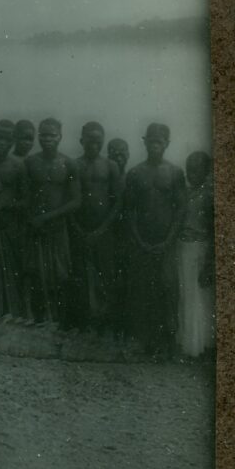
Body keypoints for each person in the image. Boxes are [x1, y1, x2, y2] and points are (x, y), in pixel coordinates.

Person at [123, 123, 187, 353]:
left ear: (167, 143)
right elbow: (129, 211)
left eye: (159, 141)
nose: (155, 145)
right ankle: (145, 341)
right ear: (145, 142)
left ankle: (167, 343)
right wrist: (139, 240)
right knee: (142, 290)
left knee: (167, 288)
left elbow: (180, 210)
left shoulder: (175, 173)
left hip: (165, 243)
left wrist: (168, 241)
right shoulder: (135, 173)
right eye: (151, 140)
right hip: (142, 243)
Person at [22, 118, 80, 324]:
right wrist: (32, 219)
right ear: (39, 136)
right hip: (36, 229)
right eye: (44, 135)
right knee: (36, 276)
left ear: (60, 136)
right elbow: (25, 195)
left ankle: (60, 324)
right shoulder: (30, 162)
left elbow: (75, 201)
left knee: (61, 276)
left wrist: (47, 218)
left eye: (52, 135)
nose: (48, 139)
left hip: (57, 228)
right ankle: (39, 321)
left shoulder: (68, 164)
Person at [70, 121, 123, 330]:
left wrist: (101, 230)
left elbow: (117, 201)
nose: (94, 144)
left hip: (104, 231)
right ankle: (84, 325)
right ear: (81, 140)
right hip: (80, 230)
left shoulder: (110, 166)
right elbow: (70, 199)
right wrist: (78, 228)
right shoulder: (74, 165)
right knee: (81, 277)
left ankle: (105, 326)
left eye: (98, 141)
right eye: (90, 140)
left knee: (105, 277)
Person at [0, 119, 27, 317]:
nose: (2, 142)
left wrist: (7, 205)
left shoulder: (18, 167)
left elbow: (27, 201)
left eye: (7, 139)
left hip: (11, 228)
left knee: (13, 272)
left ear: (13, 142)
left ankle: (14, 314)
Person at [176, 151, 215, 358]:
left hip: (200, 248)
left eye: (196, 170)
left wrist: (209, 262)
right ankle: (189, 344)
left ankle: (200, 346)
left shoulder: (209, 195)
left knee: (199, 297)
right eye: (189, 169)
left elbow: (212, 229)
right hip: (184, 248)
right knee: (187, 296)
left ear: (206, 171)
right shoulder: (189, 192)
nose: (191, 174)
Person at [106, 137, 132, 334]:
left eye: (122, 151)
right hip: (109, 236)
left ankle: (126, 325)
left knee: (127, 280)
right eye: (113, 152)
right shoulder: (106, 179)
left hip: (130, 237)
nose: (118, 155)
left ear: (129, 154)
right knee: (110, 279)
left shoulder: (132, 177)